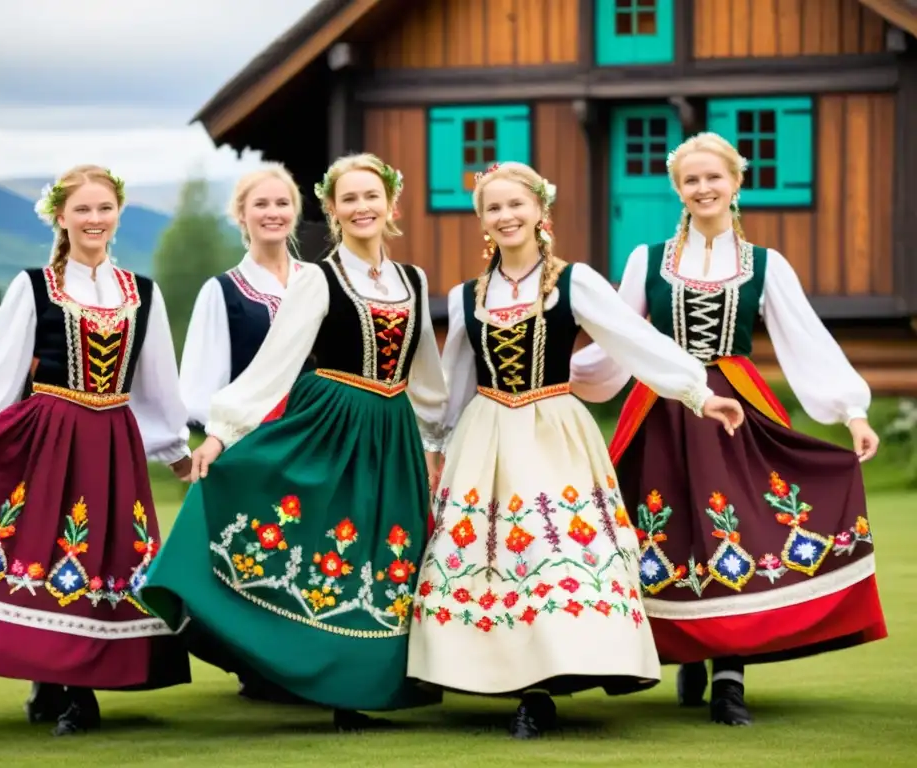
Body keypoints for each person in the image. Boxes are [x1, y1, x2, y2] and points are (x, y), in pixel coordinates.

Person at [405, 161, 745, 739]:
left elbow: (633, 339)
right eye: (494, 208)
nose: (506, 216)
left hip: (554, 430)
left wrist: (697, 391)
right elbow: (456, 379)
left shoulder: (575, 281)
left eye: (517, 205)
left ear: (541, 211)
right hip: (485, 435)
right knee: (501, 558)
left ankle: (555, 674)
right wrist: (437, 447)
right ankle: (528, 693)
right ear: (482, 221)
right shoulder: (467, 297)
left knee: (548, 550)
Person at [569, 132, 887, 726]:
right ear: (678, 190)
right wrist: (557, 374)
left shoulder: (764, 264)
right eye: (691, 180)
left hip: (737, 406)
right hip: (661, 410)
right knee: (666, 531)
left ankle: (729, 680)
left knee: (736, 530)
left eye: (714, 177)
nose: (703, 188)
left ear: (735, 183)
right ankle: (691, 651)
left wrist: (853, 411)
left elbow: (806, 338)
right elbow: (619, 337)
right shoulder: (647, 259)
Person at [140, 153, 448, 730]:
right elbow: (274, 366)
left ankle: (377, 684)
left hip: (393, 433)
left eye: (371, 196)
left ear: (390, 205)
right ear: (332, 210)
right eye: (349, 198)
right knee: (337, 548)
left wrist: (438, 442)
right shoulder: (317, 279)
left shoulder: (413, 281)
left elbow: (427, 377)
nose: (362, 207)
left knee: (387, 556)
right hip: (331, 424)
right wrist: (223, 434)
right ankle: (336, 694)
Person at [0, 164, 192, 736]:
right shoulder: (36, 287)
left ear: (118, 213)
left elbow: (158, 382)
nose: (94, 219)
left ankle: (61, 681)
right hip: (51, 439)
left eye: (104, 208)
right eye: (82, 209)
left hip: (114, 443)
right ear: (61, 216)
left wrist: (177, 449)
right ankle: (69, 689)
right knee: (56, 557)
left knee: (104, 559)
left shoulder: (143, 294)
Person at [179, 162, 305, 703]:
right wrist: (215, 438)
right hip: (250, 444)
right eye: (261, 205)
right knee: (255, 557)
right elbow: (202, 379)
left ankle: (304, 663)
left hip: (312, 438)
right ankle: (256, 665)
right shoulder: (223, 291)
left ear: (295, 211)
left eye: (282, 203)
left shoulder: (318, 282)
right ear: (241, 216)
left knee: (309, 554)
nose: (273, 213)